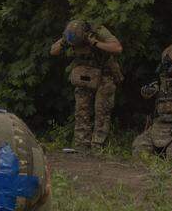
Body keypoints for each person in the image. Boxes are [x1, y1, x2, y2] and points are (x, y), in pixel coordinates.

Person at [49, 18, 123, 150]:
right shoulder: (70, 34)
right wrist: (63, 42)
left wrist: (95, 43)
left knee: (102, 110)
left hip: (104, 74)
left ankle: (98, 146)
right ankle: (81, 145)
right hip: (85, 73)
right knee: (81, 109)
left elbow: (117, 48)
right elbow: (53, 51)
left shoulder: (97, 31)